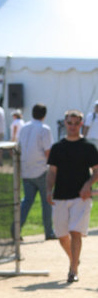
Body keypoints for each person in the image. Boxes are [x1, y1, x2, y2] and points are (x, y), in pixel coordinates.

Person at [46, 109, 98, 283]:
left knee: (75, 232)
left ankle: (73, 269)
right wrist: (48, 190)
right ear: (65, 123)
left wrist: (87, 185)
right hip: (60, 196)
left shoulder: (88, 147)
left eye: (76, 123)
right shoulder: (57, 148)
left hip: (80, 197)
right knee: (61, 235)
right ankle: (74, 259)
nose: (73, 126)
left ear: (81, 124)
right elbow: (52, 172)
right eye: (70, 123)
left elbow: (96, 172)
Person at [17, 103, 55, 240]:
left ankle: (16, 228)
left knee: (27, 201)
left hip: (26, 169)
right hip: (41, 169)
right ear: (44, 115)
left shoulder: (24, 127)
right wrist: (53, 169)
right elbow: (48, 151)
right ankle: (49, 231)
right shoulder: (44, 129)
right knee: (47, 200)